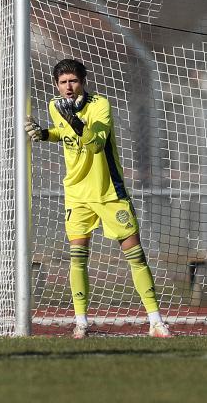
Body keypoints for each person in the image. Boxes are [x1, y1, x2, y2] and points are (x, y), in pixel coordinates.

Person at [25, 58, 171, 338]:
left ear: (83, 82)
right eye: (63, 82)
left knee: (136, 256)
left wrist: (76, 122)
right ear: (56, 84)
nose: (69, 87)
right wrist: (45, 134)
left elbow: (96, 144)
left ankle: (155, 321)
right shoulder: (55, 106)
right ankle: (81, 322)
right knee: (77, 258)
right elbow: (64, 133)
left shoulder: (100, 105)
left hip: (109, 193)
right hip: (77, 195)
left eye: (74, 81)